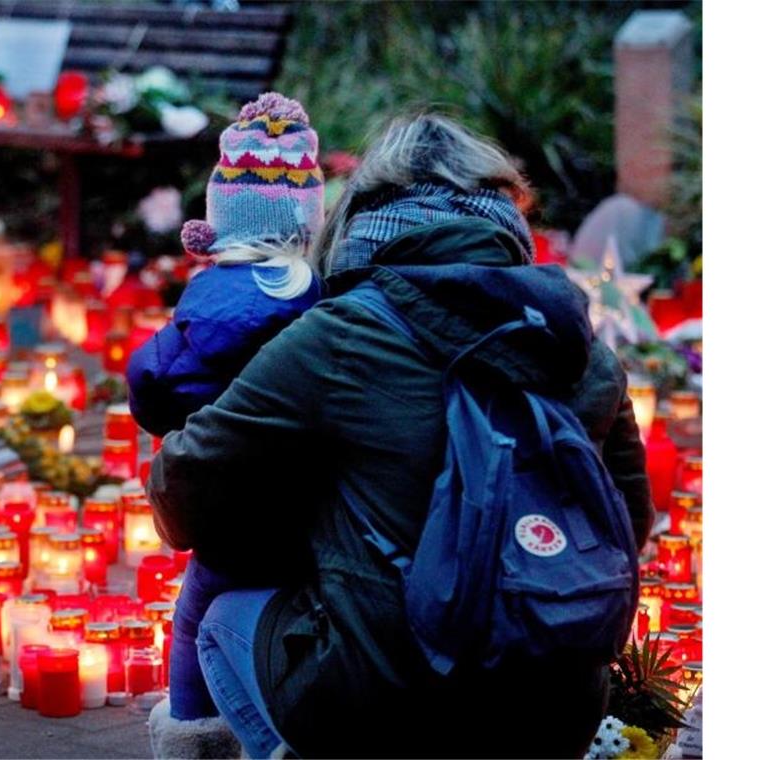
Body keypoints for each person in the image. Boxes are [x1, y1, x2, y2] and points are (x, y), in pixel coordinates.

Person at [147, 112, 653, 759]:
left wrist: (299, 537)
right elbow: (627, 526)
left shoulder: (346, 333)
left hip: (390, 705)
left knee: (221, 620)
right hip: (557, 712)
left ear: (362, 217)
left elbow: (181, 484)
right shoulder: (580, 346)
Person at [126, 93, 325, 758]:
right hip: (312, 512)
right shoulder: (325, 298)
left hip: (227, 514)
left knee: (194, 621)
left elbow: (153, 390)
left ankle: (194, 734)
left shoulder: (205, 302)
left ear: (221, 220)